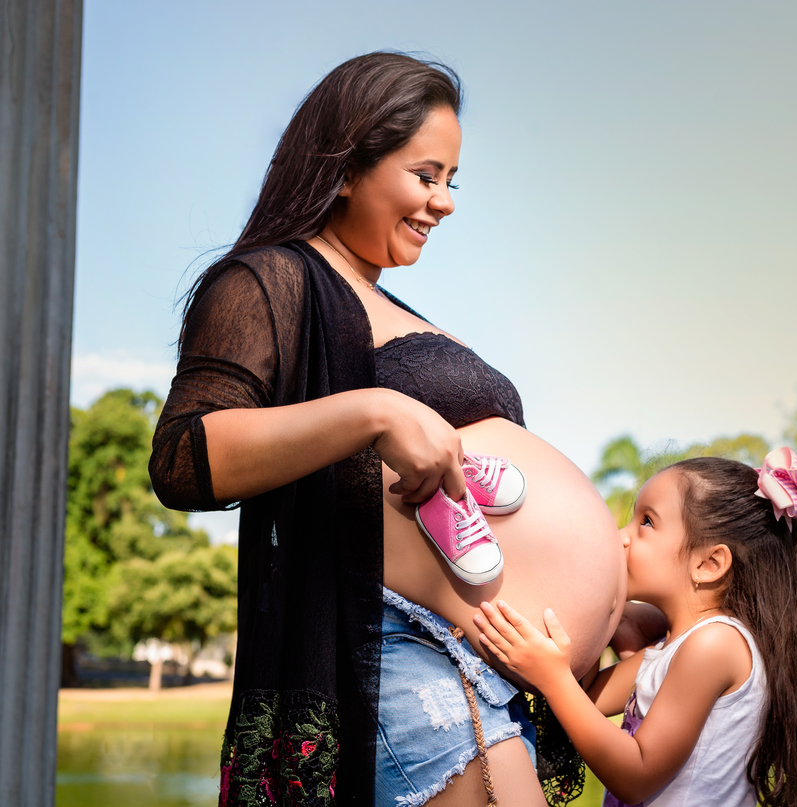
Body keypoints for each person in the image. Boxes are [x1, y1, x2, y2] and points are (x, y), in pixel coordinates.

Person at [149, 52, 631, 807]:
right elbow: (182, 456)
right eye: (426, 175)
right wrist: (375, 413)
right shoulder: (272, 279)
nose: (444, 203)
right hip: (408, 653)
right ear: (346, 168)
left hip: (478, 666)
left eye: (452, 181)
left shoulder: (394, 305)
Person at [475, 450, 797, 807]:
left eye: (646, 522)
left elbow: (636, 777)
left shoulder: (714, 645)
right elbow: (588, 700)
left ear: (709, 564)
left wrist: (554, 678)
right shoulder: (676, 645)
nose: (621, 535)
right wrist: (602, 617)